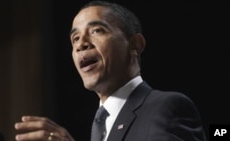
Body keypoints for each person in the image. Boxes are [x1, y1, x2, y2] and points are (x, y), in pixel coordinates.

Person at [14, 1, 207, 141]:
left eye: (97, 30)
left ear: (135, 44)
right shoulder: (100, 126)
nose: (81, 44)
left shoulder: (166, 107)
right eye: (75, 39)